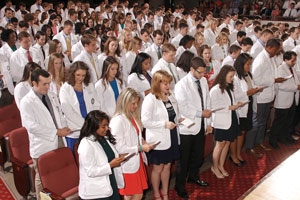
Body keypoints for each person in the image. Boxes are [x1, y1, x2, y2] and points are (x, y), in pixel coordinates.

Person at [20, 69, 71, 200]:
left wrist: (64, 126)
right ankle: (41, 198)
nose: (48, 87)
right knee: (42, 179)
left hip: (59, 140)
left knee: (58, 173)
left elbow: (59, 115)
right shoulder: (26, 102)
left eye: (49, 83)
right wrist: (55, 132)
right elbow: (31, 126)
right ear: (34, 83)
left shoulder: (52, 95)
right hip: (42, 145)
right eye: (44, 84)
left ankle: (57, 195)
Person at [174, 57, 212, 198]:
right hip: (187, 128)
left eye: (204, 72)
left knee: (198, 156)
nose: (203, 75)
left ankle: (193, 176)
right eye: (200, 72)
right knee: (183, 160)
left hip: (200, 124)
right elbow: (182, 107)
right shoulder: (181, 85)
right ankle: (179, 186)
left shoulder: (203, 81)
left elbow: (207, 100)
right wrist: (200, 113)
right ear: (191, 69)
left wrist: (208, 123)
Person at [141, 70, 182, 199]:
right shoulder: (150, 99)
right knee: (158, 169)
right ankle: (157, 194)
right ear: (157, 83)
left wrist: (180, 119)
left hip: (172, 136)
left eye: (169, 83)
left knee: (168, 167)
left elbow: (175, 114)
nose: (167, 86)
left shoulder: (170, 96)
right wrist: (164, 124)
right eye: (164, 83)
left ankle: (165, 192)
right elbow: (145, 121)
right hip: (158, 139)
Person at [110, 88, 154, 200]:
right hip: (127, 163)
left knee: (137, 194)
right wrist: (139, 147)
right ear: (124, 102)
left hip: (136, 161)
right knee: (131, 195)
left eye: (136, 103)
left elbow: (136, 135)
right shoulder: (117, 121)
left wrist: (143, 142)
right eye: (133, 103)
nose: (135, 106)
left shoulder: (132, 115)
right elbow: (119, 147)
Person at [247, 38, 285, 151]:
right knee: (256, 122)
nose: (278, 52)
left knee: (263, 121)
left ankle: (259, 142)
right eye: (277, 49)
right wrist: (273, 80)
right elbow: (256, 79)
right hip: (261, 96)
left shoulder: (270, 57)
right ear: (270, 47)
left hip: (268, 95)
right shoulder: (260, 59)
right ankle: (250, 146)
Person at [78, 110, 125, 200]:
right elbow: (90, 171)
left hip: (110, 184)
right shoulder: (86, 144)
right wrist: (110, 165)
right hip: (95, 193)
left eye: (107, 125)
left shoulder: (103, 138)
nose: (107, 128)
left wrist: (119, 158)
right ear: (94, 127)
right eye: (103, 126)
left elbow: (109, 156)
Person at [210, 65, 243, 178]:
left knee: (228, 143)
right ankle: (214, 167)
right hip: (221, 119)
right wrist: (229, 107)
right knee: (220, 144)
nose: (232, 78)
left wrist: (236, 105)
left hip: (231, 117)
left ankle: (221, 165)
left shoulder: (228, 87)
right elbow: (213, 106)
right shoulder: (215, 90)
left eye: (233, 76)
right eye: (230, 76)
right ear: (223, 76)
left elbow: (230, 101)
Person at [59, 61, 100, 151]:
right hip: (75, 131)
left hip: (90, 129)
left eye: (83, 75)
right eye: (78, 75)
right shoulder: (65, 89)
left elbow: (96, 105)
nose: (80, 78)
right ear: (72, 73)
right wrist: (86, 125)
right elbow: (68, 111)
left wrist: (93, 122)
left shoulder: (89, 86)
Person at [233, 53, 263, 161]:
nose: (249, 66)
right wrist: (248, 92)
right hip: (240, 107)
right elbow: (235, 94)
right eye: (247, 64)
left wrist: (256, 89)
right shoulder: (235, 77)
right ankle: (234, 155)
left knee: (244, 131)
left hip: (249, 105)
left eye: (250, 64)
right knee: (239, 132)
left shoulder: (248, 75)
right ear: (241, 64)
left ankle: (239, 152)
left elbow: (252, 86)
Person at [269, 51, 300, 148]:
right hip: (283, 99)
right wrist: (296, 87)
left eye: (295, 60)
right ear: (286, 60)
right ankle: (273, 139)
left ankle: (284, 136)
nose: (294, 62)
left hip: (292, 98)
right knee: (279, 121)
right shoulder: (280, 69)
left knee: (288, 121)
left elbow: (296, 80)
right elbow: (281, 85)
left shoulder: (292, 68)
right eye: (292, 60)